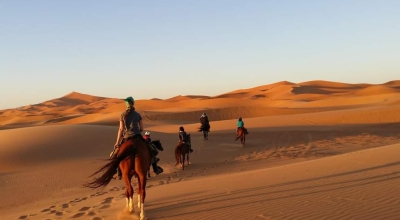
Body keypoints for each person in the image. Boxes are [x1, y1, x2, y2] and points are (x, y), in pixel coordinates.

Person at [111, 96, 161, 179]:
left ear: (126, 104)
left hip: (126, 137)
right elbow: (141, 129)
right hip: (137, 136)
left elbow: (121, 129)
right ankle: (156, 168)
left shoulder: (122, 115)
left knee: (115, 155)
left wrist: (117, 143)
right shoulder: (138, 115)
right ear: (133, 103)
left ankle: (117, 172)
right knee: (152, 150)